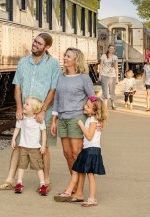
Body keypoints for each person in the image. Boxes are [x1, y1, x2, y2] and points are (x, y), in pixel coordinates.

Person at [0, 33, 61, 193]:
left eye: (39, 43)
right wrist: (18, 108)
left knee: (44, 148)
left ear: (47, 47)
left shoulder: (53, 64)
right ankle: (10, 179)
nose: (35, 44)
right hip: (25, 110)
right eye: (35, 41)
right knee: (18, 144)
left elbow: (53, 89)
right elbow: (17, 86)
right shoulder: (23, 62)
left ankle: (46, 181)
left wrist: (43, 111)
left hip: (44, 112)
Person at [51, 47, 95, 202]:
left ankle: (79, 191)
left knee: (77, 155)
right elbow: (57, 98)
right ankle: (75, 185)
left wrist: (98, 120)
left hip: (77, 118)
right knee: (67, 154)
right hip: (62, 118)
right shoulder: (61, 76)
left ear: (76, 60)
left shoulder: (83, 78)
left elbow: (93, 98)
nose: (64, 58)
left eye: (68, 56)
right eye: (64, 55)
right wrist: (54, 119)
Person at [54, 96, 107, 207]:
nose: (85, 107)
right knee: (76, 169)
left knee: (90, 174)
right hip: (87, 150)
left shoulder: (93, 121)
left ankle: (92, 199)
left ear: (95, 111)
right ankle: (68, 192)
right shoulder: (90, 119)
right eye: (86, 105)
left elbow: (89, 136)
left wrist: (81, 125)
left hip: (92, 150)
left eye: (88, 106)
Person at [11, 96, 47, 195]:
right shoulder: (22, 119)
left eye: (27, 104)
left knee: (39, 166)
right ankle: (19, 183)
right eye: (24, 103)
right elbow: (17, 128)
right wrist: (13, 139)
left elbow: (43, 132)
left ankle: (42, 184)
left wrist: (43, 145)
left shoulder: (39, 120)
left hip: (35, 147)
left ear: (34, 109)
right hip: (23, 146)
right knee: (21, 165)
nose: (24, 105)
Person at [99, 44, 119, 109]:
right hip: (104, 75)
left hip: (112, 76)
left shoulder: (115, 57)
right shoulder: (103, 56)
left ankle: (113, 104)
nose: (111, 49)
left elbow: (116, 68)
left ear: (114, 50)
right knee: (105, 90)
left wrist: (117, 78)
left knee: (112, 91)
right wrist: (99, 76)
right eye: (110, 48)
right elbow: (101, 66)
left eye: (113, 49)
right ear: (108, 49)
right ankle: (105, 105)